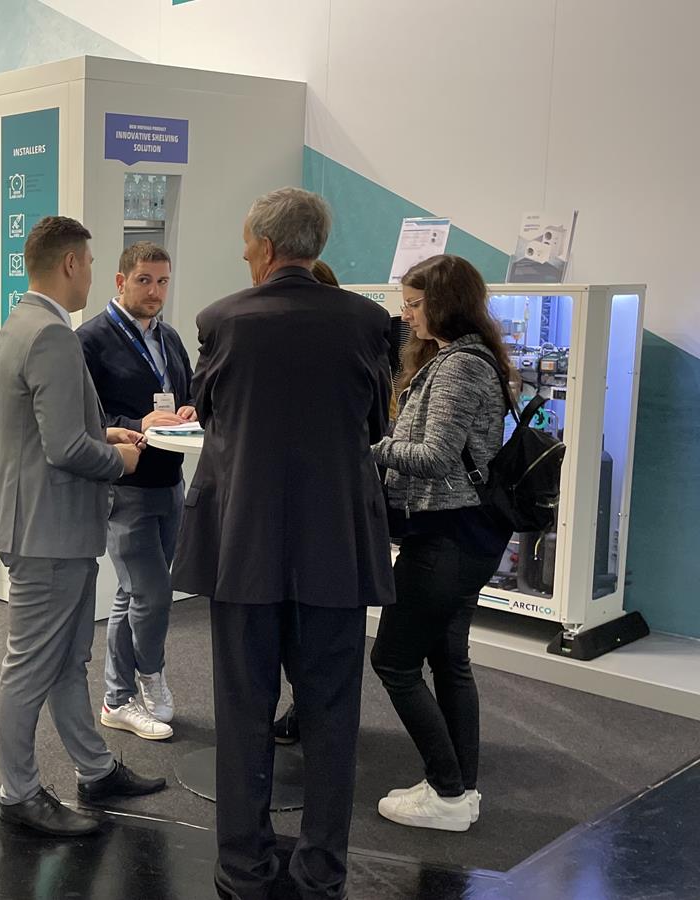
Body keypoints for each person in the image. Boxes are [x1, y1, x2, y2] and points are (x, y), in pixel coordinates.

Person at [175, 187, 395, 900]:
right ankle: (322, 871)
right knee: (332, 716)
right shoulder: (368, 323)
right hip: (337, 546)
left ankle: (243, 868)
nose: (244, 255)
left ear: (266, 248)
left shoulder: (221, 321)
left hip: (244, 544)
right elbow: (374, 424)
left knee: (243, 711)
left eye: (247, 245)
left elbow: (210, 414)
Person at [0, 215, 164, 838]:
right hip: (48, 531)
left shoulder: (19, 324)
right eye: (88, 262)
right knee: (32, 666)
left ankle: (95, 768)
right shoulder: (52, 336)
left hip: (40, 523)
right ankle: (19, 793)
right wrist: (121, 459)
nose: (91, 273)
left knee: (66, 661)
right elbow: (63, 449)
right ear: (69, 264)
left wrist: (103, 432)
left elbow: (37, 431)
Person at [370, 254, 510, 833]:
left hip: (447, 535)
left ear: (444, 303)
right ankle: (460, 790)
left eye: (413, 304)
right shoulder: (467, 357)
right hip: (465, 531)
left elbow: (434, 457)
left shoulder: (459, 367)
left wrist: (369, 448)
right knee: (449, 660)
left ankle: (448, 791)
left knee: (394, 661)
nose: (405, 315)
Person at [76, 241, 195, 743]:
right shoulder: (90, 340)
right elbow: (83, 417)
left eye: (163, 281)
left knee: (131, 594)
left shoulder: (169, 337)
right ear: (121, 281)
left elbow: (187, 392)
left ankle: (116, 699)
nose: (155, 291)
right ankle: (151, 674)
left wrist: (189, 409)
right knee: (153, 593)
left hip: (170, 480)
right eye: (144, 280)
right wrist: (135, 422)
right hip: (124, 486)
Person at [272, 258, 346, 745]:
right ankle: (309, 708)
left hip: (318, 510)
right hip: (315, 507)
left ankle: (312, 709)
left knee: (311, 622)